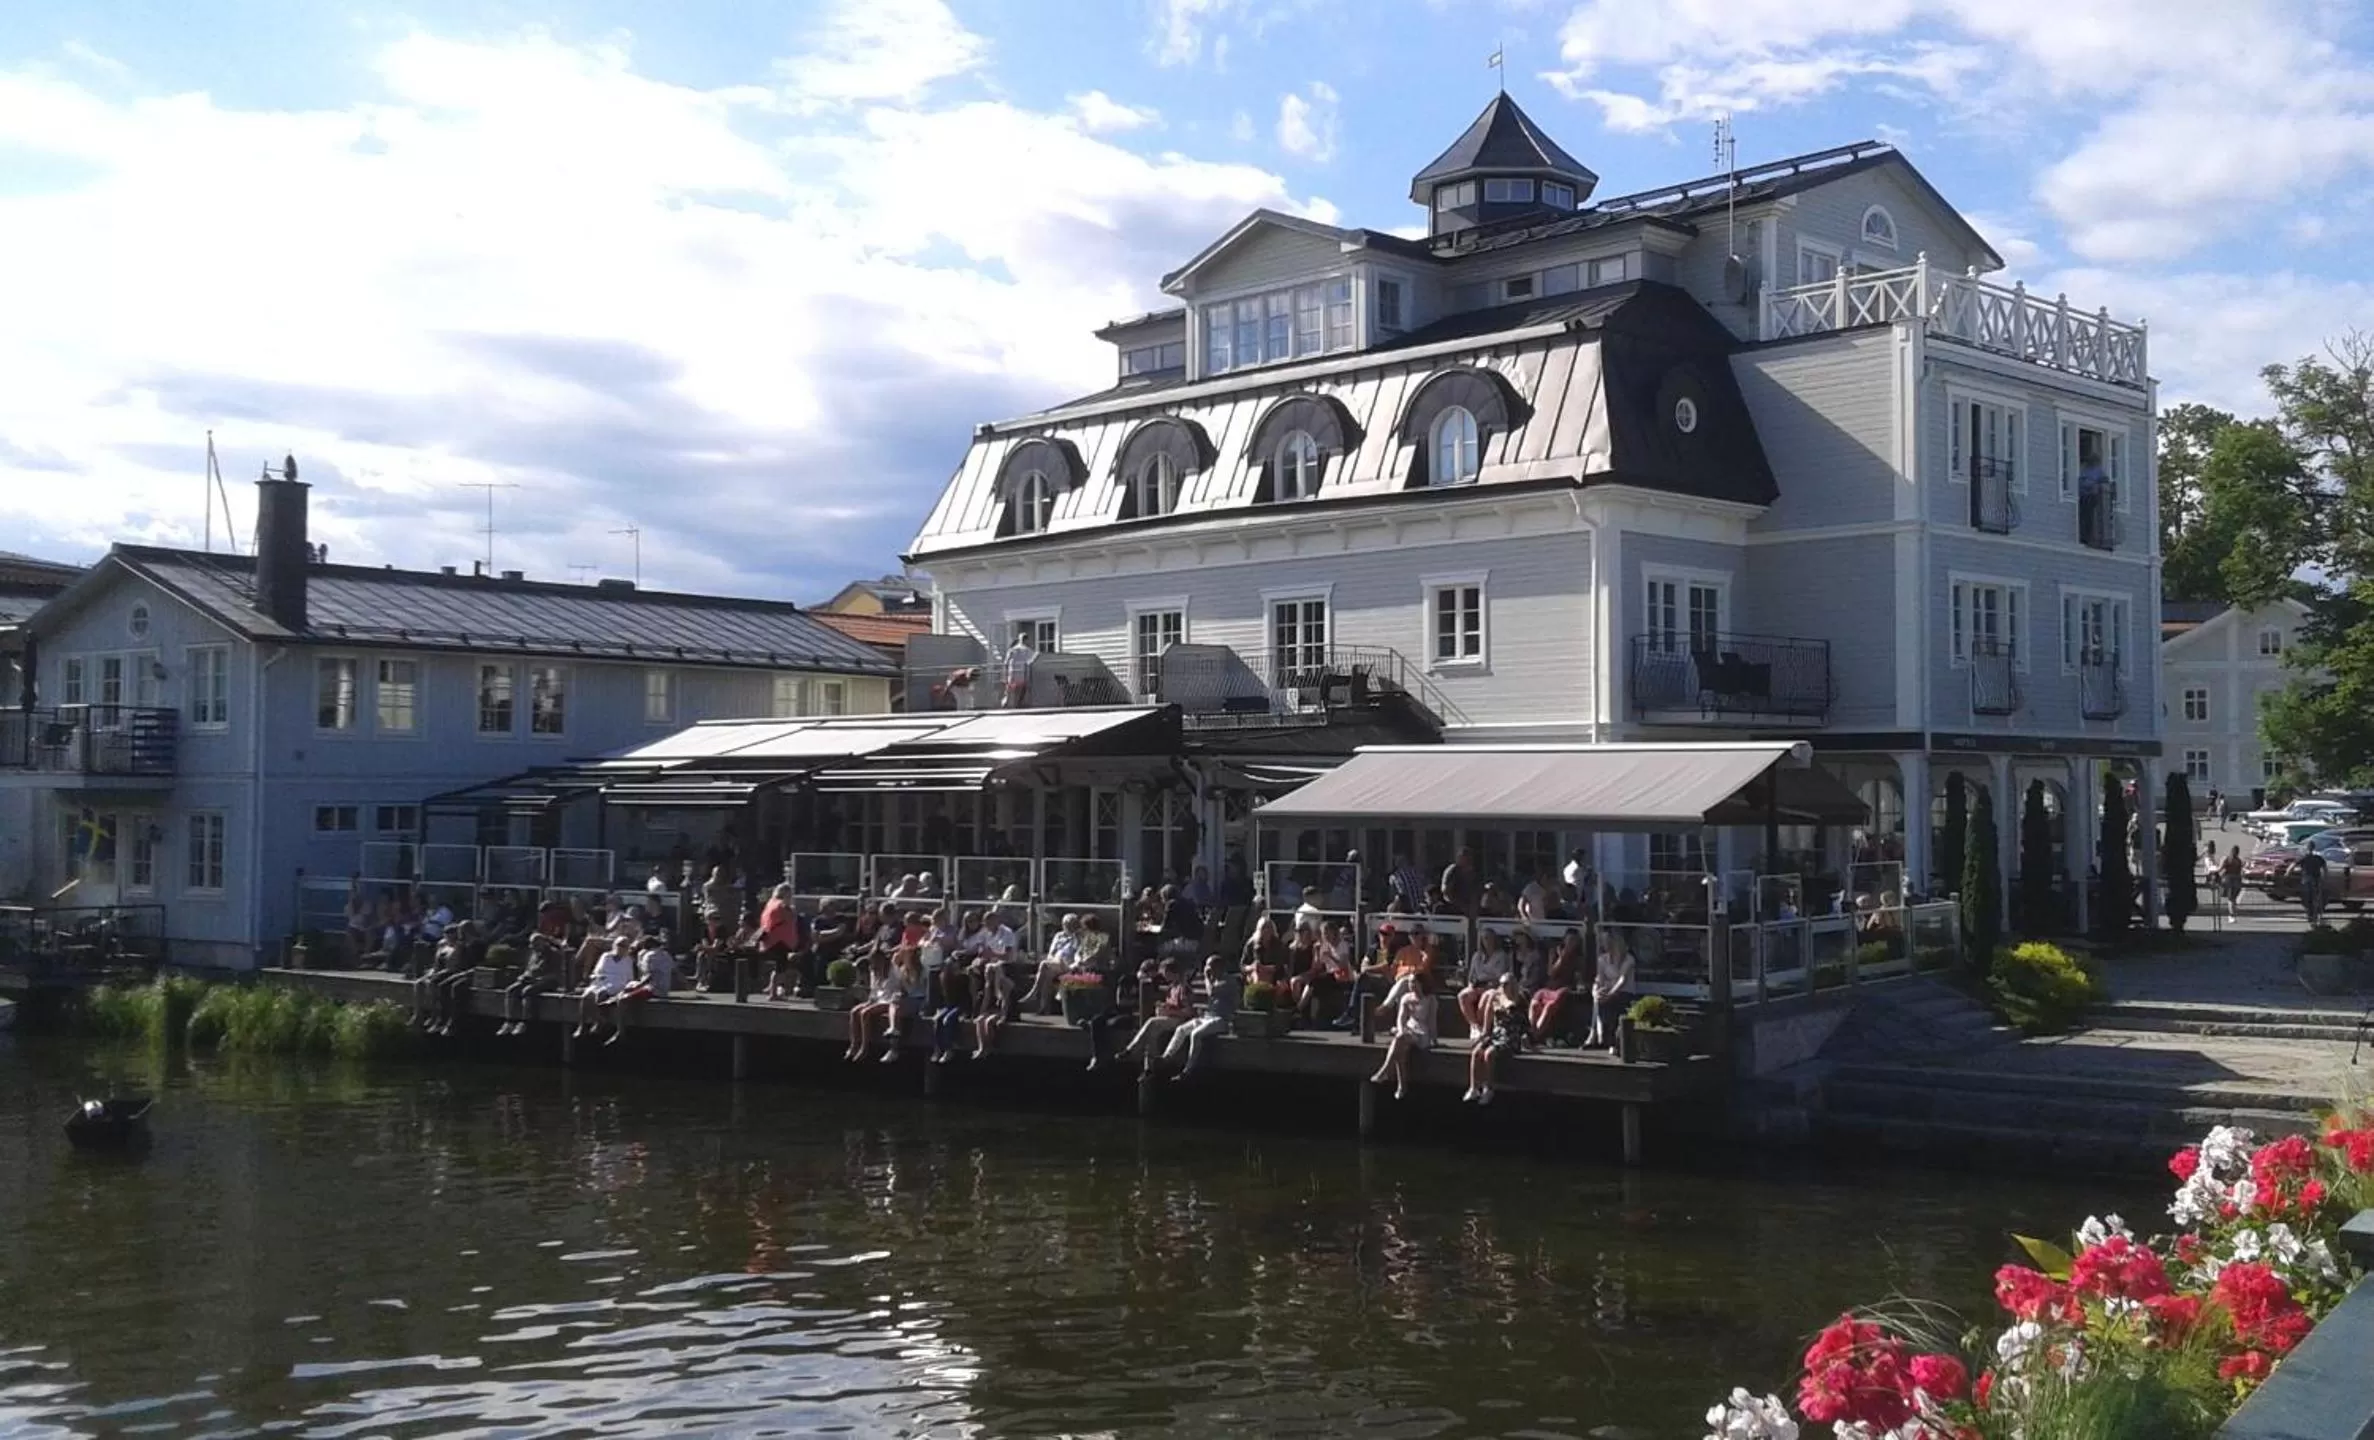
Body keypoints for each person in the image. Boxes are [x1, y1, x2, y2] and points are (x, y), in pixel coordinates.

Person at [1164, 955, 1240, 1080]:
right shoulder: (1214, 979)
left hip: (1222, 1019)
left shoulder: (1229, 981)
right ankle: (1166, 1057)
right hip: (1208, 1017)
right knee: (1181, 1029)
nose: (1207, 969)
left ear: (1218, 967)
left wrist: (1206, 977)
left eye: (1209, 966)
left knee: (1195, 1034)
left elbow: (1212, 992)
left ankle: (1187, 1070)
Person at [1368, 972, 1437, 1101]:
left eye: (1414, 982)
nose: (1411, 985)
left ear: (1421, 983)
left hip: (1422, 1032)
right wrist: (1401, 1030)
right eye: (1410, 982)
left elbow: (1432, 1020)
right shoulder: (1406, 998)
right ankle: (1401, 1085)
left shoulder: (1430, 999)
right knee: (1400, 1048)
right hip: (1408, 1029)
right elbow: (1401, 1018)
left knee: (1399, 1041)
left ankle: (1385, 1071)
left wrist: (1434, 1039)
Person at [1464, 969, 1527, 1105]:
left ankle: (1489, 1088)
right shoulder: (1495, 1000)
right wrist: (1483, 1038)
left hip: (1511, 1036)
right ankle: (1474, 1087)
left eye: (1506, 984)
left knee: (1489, 1053)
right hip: (1496, 1035)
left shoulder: (1520, 1000)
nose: (1503, 987)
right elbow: (1488, 1026)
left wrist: (1528, 1039)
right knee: (1476, 1052)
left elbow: (1525, 1023)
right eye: (1502, 984)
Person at [599, 935, 675, 1045]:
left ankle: (620, 1031)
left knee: (623, 999)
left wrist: (638, 986)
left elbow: (650, 976)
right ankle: (612, 1000)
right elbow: (675, 971)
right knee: (628, 988)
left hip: (654, 989)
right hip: (663, 989)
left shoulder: (650, 956)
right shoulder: (667, 955)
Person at [1121, 960, 1193, 1069]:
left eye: (1165, 973)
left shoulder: (1183, 988)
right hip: (1169, 1018)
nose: (1163, 976)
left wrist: (1169, 1012)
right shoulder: (1171, 988)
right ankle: (1149, 1066)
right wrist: (1163, 1007)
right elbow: (1172, 1005)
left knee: (1151, 1022)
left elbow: (1189, 1012)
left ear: (1172, 973)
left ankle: (1131, 1049)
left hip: (1180, 1020)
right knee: (1152, 1035)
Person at [846, 951, 903, 1061]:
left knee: (865, 1013)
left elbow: (896, 988)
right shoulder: (873, 971)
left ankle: (865, 1047)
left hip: (888, 1000)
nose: (873, 964)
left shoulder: (892, 970)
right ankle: (854, 1044)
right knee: (854, 1011)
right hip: (877, 1000)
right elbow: (874, 991)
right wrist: (869, 1001)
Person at [498, 934, 559, 1036]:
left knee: (527, 991)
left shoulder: (554, 954)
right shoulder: (534, 954)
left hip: (548, 981)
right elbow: (529, 969)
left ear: (543, 943)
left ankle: (525, 1022)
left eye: (535, 944)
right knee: (511, 990)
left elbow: (556, 974)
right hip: (532, 979)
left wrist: (538, 979)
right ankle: (509, 1021)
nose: (533, 947)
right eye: (532, 944)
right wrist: (523, 976)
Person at [575, 937, 636, 1036]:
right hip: (601, 980)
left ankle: (599, 1022)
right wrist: (596, 977)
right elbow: (596, 971)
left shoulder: (628, 960)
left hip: (617, 983)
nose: (620, 948)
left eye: (623, 946)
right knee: (586, 996)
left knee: (601, 994)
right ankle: (582, 1025)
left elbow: (629, 978)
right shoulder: (605, 956)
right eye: (619, 945)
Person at [1529, 929, 1583, 1042]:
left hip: (1563, 988)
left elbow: (1578, 977)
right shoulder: (1554, 952)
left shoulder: (1578, 958)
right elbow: (1551, 973)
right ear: (1564, 940)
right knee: (1534, 1004)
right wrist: (1561, 958)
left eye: (1574, 941)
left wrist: (1579, 984)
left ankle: (1535, 1036)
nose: (1571, 944)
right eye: (1569, 940)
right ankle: (1532, 1032)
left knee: (1550, 1006)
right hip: (1549, 987)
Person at [1586, 928, 1634, 1051]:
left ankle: (1596, 1036)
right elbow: (1600, 979)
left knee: (1606, 1003)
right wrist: (1599, 993)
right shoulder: (1602, 959)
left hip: (1624, 992)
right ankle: (1603, 1038)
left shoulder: (1628, 959)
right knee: (1598, 1000)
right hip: (1607, 990)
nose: (1605, 944)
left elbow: (1622, 980)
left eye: (1607, 941)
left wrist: (1610, 994)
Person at [1459, 928, 1513, 1035]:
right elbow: (1471, 976)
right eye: (1484, 938)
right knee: (1462, 995)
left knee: (1485, 998)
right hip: (1477, 985)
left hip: (1493, 986)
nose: (1487, 941)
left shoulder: (1501, 956)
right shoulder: (1477, 956)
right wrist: (1471, 986)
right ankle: (1474, 1026)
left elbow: (1500, 978)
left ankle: (1483, 1029)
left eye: (1489, 938)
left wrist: (1486, 985)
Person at [929, 949, 975, 1063]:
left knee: (947, 1020)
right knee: (937, 1019)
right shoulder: (944, 978)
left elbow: (972, 996)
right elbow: (943, 997)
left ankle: (949, 1049)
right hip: (950, 1005)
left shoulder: (965, 977)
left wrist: (971, 1012)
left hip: (962, 1006)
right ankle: (938, 1049)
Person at [2299, 843, 2330, 926]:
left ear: (2307, 848)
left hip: (2307, 879)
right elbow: (2325, 868)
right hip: (2316, 879)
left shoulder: (2305, 857)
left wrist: (2287, 873)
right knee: (2315, 897)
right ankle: (2315, 914)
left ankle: (2311, 915)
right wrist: (2326, 877)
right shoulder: (2318, 858)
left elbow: (2293, 865)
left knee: (2308, 898)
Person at [2219, 844, 2246, 917]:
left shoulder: (2227, 859)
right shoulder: (2239, 861)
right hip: (2237, 880)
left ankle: (2232, 913)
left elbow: (2220, 869)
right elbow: (2241, 871)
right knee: (2233, 898)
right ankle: (2233, 911)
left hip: (2229, 880)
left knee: (2230, 898)